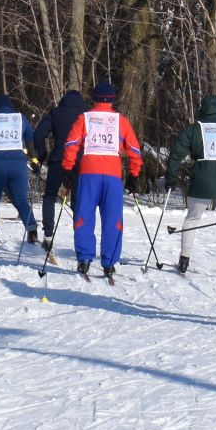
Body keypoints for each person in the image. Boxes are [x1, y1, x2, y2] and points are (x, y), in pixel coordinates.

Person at [59, 81, 144, 282]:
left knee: (84, 216)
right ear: (112, 100)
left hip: (88, 174)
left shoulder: (84, 118)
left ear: (94, 98)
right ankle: (109, 262)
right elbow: (134, 149)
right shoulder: (121, 121)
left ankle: (85, 258)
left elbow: (71, 144)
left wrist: (68, 169)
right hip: (113, 176)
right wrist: (134, 174)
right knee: (113, 219)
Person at [166, 93, 216, 276]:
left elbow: (176, 153)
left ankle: (184, 260)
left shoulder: (195, 129)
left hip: (201, 183)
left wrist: (171, 177)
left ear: (204, 109)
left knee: (192, 219)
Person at [31, 88, 86, 256]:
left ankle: (48, 236)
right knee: (78, 201)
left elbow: (39, 134)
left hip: (58, 160)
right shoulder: (87, 115)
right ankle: (80, 239)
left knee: (49, 197)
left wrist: (41, 155)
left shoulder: (56, 112)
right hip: (80, 161)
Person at [0, 93, 38, 252]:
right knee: (21, 199)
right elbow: (30, 138)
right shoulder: (20, 117)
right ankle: (32, 229)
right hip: (18, 164)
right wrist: (34, 159)